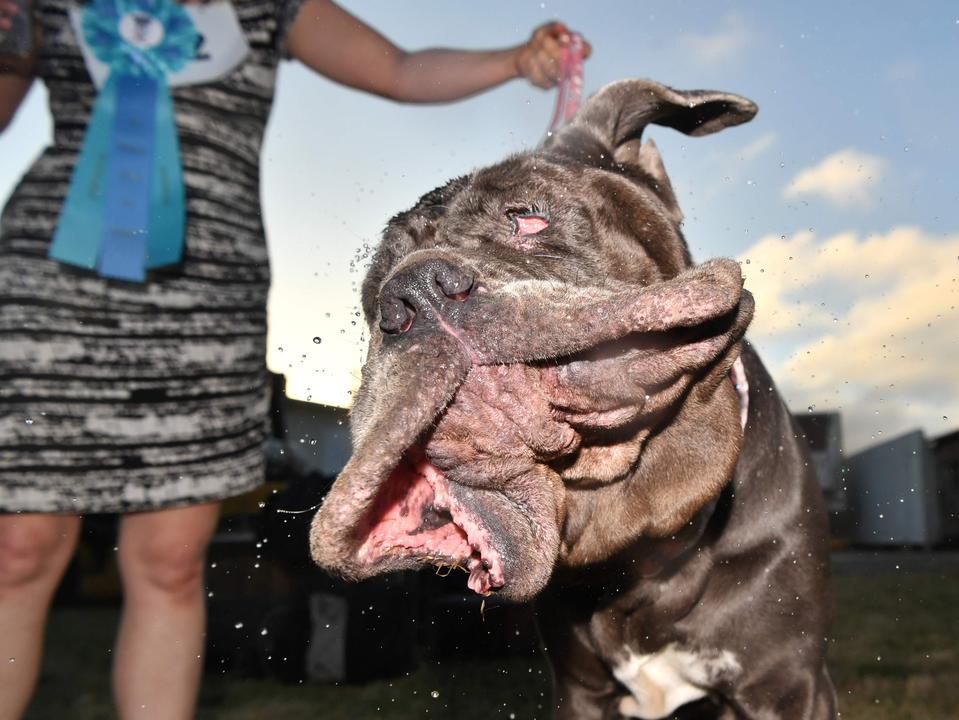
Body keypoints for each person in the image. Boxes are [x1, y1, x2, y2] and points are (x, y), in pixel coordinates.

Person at [0, 1, 590, 717]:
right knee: (16, 552)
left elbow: (400, 69)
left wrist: (514, 59)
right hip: (48, 286)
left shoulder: (267, 9)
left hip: (205, 299)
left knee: (171, 561)